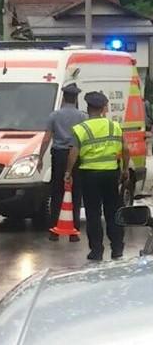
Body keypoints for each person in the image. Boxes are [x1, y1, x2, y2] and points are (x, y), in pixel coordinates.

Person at [65, 91, 129, 261]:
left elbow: (74, 152)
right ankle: (117, 248)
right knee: (113, 211)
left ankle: (96, 251)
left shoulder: (81, 129)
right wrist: (124, 169)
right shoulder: (114, 126)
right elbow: (126, 149)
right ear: (103, 109)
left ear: (88, 108)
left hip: (89, 175)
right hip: (111, 174)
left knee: (93, 213)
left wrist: (68, 172)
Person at [38, 83, 86, 241]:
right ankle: (74, 232)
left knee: (57, 192)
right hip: (77, 155)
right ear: (76, 98)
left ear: (64, 97)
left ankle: (54, 231)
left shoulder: (54, 115)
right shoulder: (82, 117)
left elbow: (46, 139)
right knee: (76, 193)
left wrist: (39, 157)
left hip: (58, 156)